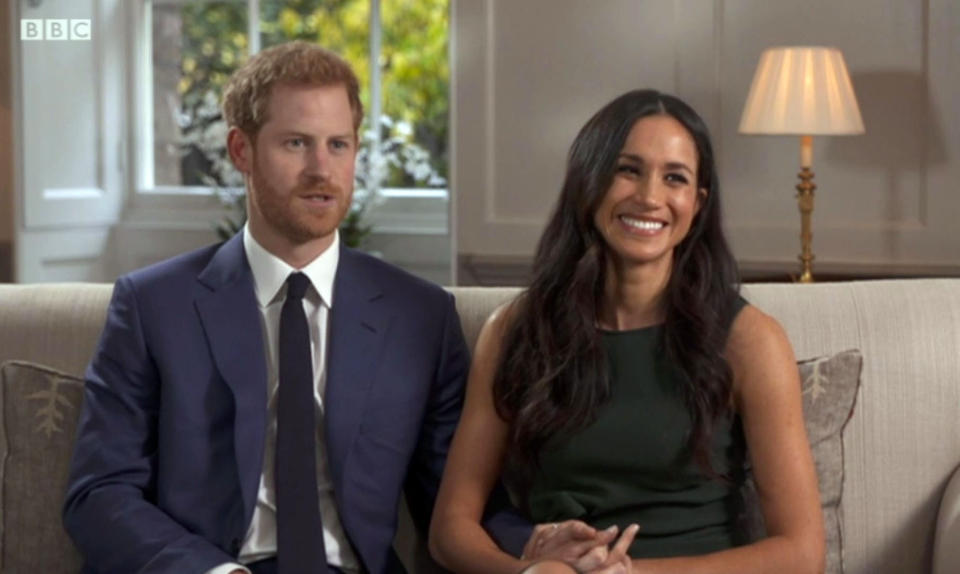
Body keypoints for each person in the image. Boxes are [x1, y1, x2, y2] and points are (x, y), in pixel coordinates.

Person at [62, 41, 529, 574]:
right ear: (241, 151)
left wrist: (540, 546)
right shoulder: (151, 307)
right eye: (295, 144)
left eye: (338, 145)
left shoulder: (420, 317)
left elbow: (459, 501)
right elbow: (99, 494)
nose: (321, 169)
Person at [429, 89, 826, 574]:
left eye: (674, 178)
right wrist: (530, 573)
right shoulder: (514, 330)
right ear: (588, 182)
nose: (649, 197)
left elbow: (802, 552)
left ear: (697, 203)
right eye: (627, 170)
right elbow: (450, 528)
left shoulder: (750, 340)